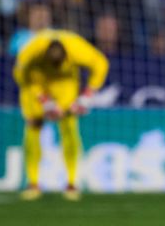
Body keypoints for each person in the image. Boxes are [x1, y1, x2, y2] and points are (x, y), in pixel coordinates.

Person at [13, 29, 109, 201]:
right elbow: (21, 76)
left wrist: (87, 96)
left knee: (69, 127)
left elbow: (101, 64)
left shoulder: (76, 47)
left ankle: (72, 183)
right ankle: (32, 183)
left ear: (67, 56)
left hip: (65, 83)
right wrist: (44, 100)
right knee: (33, 125)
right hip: (36, 81)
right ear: (44, 56)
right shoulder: (32, 50)